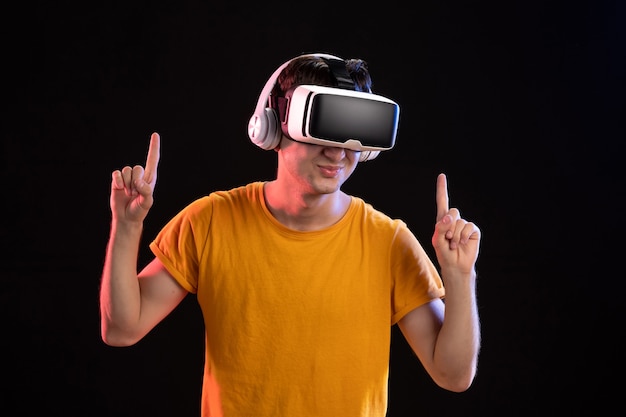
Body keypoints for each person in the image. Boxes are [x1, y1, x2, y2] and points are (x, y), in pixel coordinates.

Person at [99, 52, 481, 417]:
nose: (337, 153)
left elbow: (453, 375)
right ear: (271, 127)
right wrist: (127, 226)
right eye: (323, 128)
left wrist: (460, 277)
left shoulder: (389, 242)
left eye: (352, 135)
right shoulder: (211, 221)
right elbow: (121, 329)